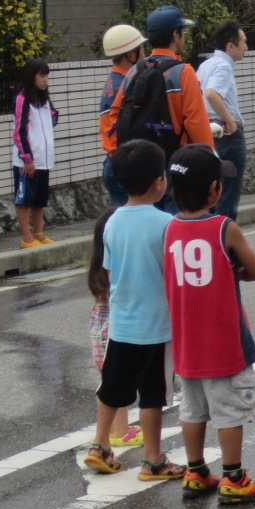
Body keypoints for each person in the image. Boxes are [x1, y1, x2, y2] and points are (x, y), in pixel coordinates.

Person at [161, 144, 255, 503]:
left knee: (192, 408)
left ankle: (195, 471)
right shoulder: (224, 228)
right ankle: (234, 477)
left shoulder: (169, 229)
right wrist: (233, 271)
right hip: (223, 340)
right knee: (229, 410)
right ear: (214, 189)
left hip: (186, 339)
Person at [81, 140, 182, 482]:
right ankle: (152, 459)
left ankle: (99, 444)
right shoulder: (166, 224)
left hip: (120, 325)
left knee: (112, 387)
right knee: (152, 396)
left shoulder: (112, 223)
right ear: (159, 181)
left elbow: (110, 272)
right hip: (156, 327)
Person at [105, 5, 215, 165]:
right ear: (175, 35)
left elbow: (116, 114)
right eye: (183, 32)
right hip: (175, 161)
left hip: (140, 162)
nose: (183, 37)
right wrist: (210, 160)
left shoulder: (135, 70)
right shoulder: (183, 72)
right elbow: (196, 122)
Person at [87, 209, 139, 449]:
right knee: (117, 383)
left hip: (99, 327)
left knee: (111, 381)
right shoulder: (116, 266)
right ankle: (121, 432)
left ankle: (113, 431)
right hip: (114, 329)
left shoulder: (97, 267)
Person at [197, 21, 248, 219]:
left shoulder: (205, 65)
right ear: (230, 46)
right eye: (243, 42)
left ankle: (209, 233)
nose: (246, 47)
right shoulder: (223, 66)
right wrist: (231, 121)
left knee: (210, 194)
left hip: (207, 131)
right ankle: (224, 235)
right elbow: (211, 93)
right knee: (228, 194)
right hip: (227, 134)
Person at [10, 58, 58, 248]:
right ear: (31, 77)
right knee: (24, 199)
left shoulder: (44, 99)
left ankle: (39, 234)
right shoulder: (23, 99)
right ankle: (27, 238)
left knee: (39, 199)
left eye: (47, 76)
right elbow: (19, 131)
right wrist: (27, 158)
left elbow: (53, 117)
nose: (45, 80)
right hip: (27, 161)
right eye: (41, 76)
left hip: (44, 159)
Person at [97, 24, 144, 207]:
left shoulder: (114, 80)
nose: (145, 55)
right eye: (142, 49)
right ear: (131, 55)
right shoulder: (127, 84)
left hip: (113, 160)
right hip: (125, 162)